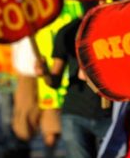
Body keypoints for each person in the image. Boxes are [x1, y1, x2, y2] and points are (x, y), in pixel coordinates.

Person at [36, 16, 112, 158]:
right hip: (75, 115)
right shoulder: (68, 31)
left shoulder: (117, 27)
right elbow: (55, 81)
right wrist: (45, 73)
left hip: (109, 116)